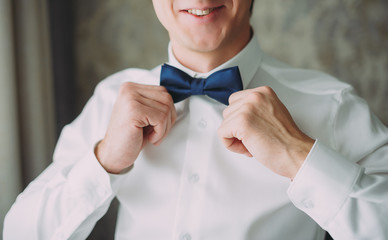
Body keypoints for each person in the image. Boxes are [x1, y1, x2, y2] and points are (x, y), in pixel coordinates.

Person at [4, 0, 388, 239]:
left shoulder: (332, 105)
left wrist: (297, 154)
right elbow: (20, 233)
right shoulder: (111, 98)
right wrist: (104, 160)